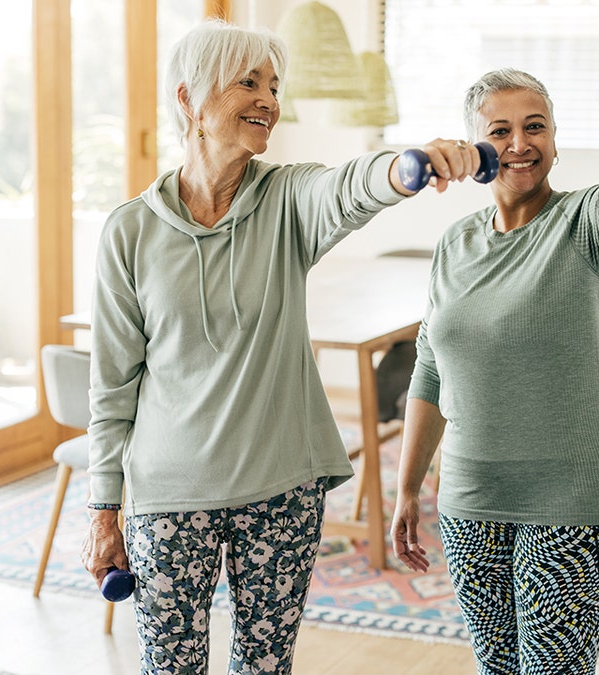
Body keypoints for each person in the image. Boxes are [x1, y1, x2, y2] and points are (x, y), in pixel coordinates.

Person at [80, 19, 480, 674]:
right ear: (189, 100)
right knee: (169, 666)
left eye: (273, 84)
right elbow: (112, 384)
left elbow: (350, 187)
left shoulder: (287, 198)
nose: (269, 98)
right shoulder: (129, 232)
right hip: (169, 493)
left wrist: (412, 166)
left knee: (265, 666)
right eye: (249, 82)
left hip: (282, 488)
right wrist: (103, 507)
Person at [389, 68, 599, 674]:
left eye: (536, 128)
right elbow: (430, 366)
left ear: (556, 141)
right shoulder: (455, 243)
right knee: (497, 667)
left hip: (572, 498)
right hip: (471, 501)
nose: (519, 144)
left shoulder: (584, 225)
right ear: (476, 149)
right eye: (499, 131)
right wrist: (407, 488)